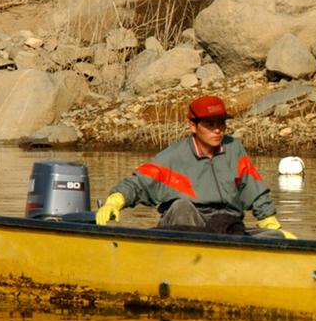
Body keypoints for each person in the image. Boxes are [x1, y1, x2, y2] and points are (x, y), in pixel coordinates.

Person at [95, 94, 296, 239]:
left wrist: (272, 225)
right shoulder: (173, 156)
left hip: (226, 230)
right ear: (193, 126)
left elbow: (256, 192)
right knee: (182, 207)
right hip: (186, 229)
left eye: (221, 123)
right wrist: (114, 202)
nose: (217, 130)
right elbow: (137, 184)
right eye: (210, 124)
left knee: (274, 237)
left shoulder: (234, 149)